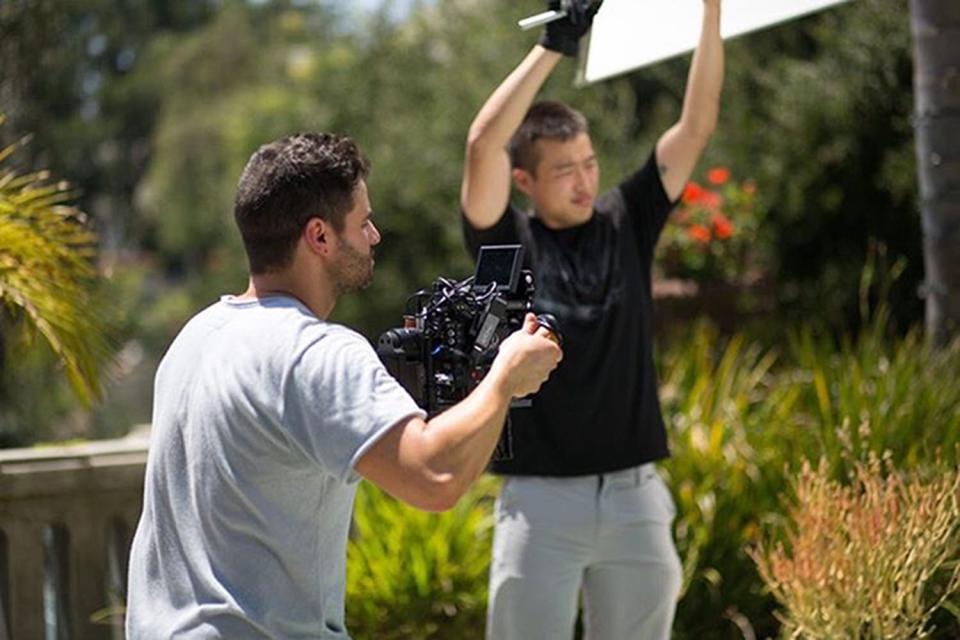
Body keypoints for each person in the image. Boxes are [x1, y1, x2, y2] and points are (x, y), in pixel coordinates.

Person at [125, 132, 562, 639]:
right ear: (320, 237)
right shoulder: (316, 350)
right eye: (363, 221)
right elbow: (433, 478)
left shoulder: (196, 337)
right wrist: (505, 377)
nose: (374, 235)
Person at [459, 1, 724, 638]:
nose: (583, 182)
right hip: (541, 502)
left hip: (634, 495)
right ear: (524, 180)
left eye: (590, 164)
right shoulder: (506, 241)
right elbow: (481, 144)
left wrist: (712, 8)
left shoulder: (627, 218)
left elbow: (696, 123)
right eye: (563, 171)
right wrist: (556, 44)